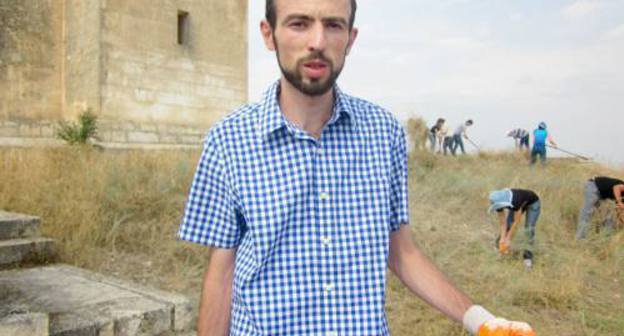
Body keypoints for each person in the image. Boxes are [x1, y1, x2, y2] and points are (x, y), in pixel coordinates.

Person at [177, 1, 535, 335]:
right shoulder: (229, 140)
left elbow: (403, 252)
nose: (317, 42)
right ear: (269, 34)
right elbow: (221, 272)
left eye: (333, 25)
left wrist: (483, 321)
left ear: (350, 38)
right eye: (299, 24)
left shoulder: (384, 133)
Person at [488, 188, 541, 269]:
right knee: (508, 225)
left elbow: (516, 221)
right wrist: (503, 238)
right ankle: (500, 249)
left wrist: (508, 238)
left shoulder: (515, 200)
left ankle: (528, 258)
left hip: (533, 203)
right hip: (519, 205)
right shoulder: (497, 200)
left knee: (529, 229)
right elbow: (503, 222)